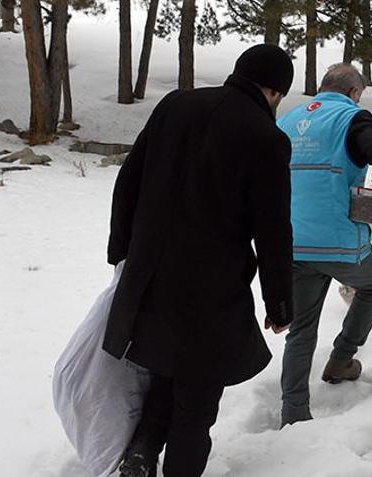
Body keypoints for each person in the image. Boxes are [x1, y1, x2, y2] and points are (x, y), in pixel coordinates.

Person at [106, 45, 296, 477]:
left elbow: (128, 180)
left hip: (149, 276)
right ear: (273, 91)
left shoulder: (176, 104)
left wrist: (121, 253)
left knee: (167, 372)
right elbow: (272, 231)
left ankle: (141, 453)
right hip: (211, 292)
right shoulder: (266, 139)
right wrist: (279, 302)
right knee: (196, 401)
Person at [276, 64, 372, 427]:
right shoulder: (351, 119)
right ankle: (342, 358)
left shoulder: (288, 120)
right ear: (354, 92)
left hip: (292, 242)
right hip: (340, 245)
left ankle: (293, 412)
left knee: (301, 330)